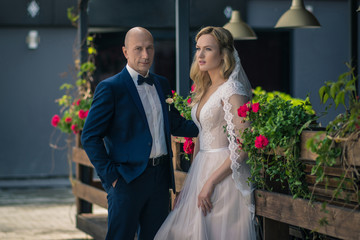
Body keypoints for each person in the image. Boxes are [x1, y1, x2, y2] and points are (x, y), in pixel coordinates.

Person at [81, 27, 199, 240]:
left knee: (156, 237)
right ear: (125, 51)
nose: (145, 55)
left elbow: (175, 124)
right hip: (126, 180)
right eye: (138, 49)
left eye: (149, 48)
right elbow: (90, 136)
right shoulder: (110, 88)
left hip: (160, 178)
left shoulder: (161, 83)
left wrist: (210, 123)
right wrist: (112, 178)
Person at [154, 26, 256, 239]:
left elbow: (245, 144)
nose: (199, 55)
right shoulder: (205, 88)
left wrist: (210, 182)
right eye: (198, 48)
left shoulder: (233, 90)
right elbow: (201, 134)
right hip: (201, 167)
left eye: (207, 49)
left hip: (224, 175)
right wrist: (192, 183)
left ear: (223, 54)